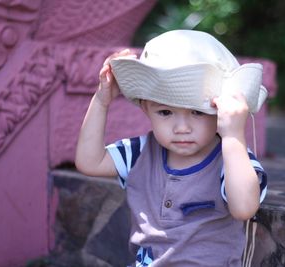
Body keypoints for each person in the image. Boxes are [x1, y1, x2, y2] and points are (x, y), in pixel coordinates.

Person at [75, 30, 268, 267]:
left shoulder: (231, 157)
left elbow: (244, 208)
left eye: (197, 112)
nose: (182, 127)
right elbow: (89, 161)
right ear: (146, 109)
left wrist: (234, 135)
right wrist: (101, 100)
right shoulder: (141, 153)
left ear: (220, 111)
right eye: (165, 112)